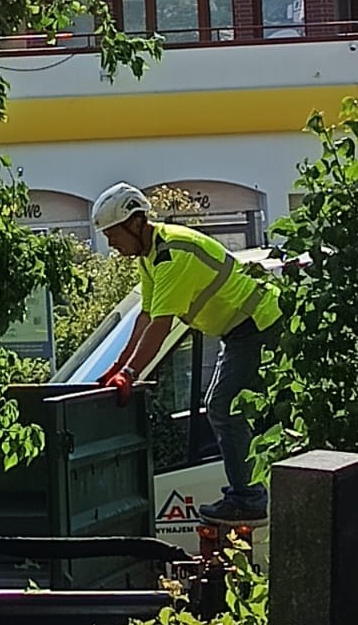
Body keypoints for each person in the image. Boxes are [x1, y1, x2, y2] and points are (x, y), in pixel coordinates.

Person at [91, 182, 281, 523]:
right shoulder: (152, 255)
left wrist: (131, 375)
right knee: (226, 407)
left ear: (135, 224)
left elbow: (161, 327)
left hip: (258, 325)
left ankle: (249, 499)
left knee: (223, 407)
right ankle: (249, 493)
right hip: (241, 330)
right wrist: (118, 366)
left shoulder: (172, 254)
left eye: (112, 234)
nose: (111, 243)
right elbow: (145, 317)